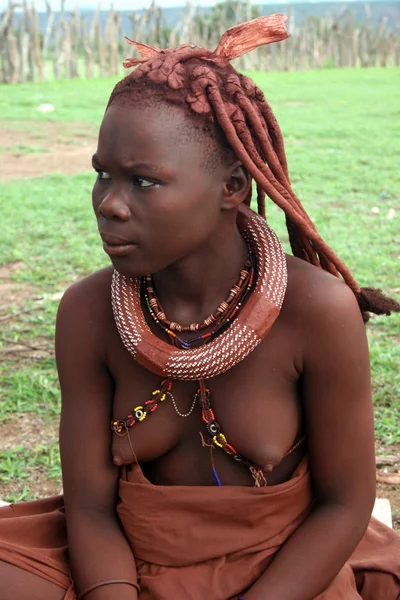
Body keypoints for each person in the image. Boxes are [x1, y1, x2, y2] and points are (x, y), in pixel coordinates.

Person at [0, 14, 399, 600]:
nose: (109, 204)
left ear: (233, 186)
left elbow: (344, 505)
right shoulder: (88, 313)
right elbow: (88, 506)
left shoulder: (316, 311)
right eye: (102, 175)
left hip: (281, 570)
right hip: (127, 559)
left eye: (144, 181)